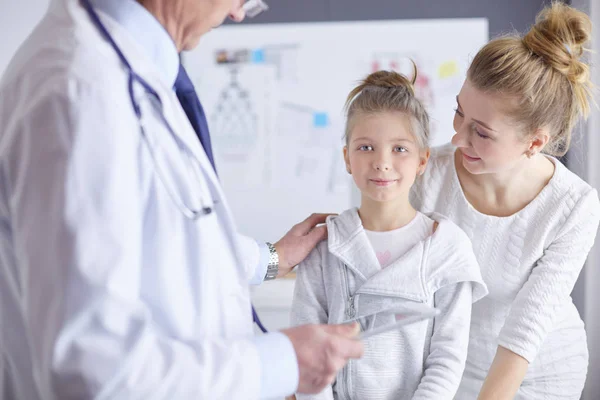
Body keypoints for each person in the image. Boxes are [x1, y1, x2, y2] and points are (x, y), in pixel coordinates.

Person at [0, 0, 364, 399]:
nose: (238, 13)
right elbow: (95, 371)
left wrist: (269, 258)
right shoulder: (80, 91)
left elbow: (167, 233)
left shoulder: (138, 72)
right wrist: (279, 365)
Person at [409, 3, 600, 399]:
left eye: (481, 132)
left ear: (534, 143)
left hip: (538, 373)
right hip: (448, 367)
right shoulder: (428, 175)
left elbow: (527, 325)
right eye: (459, 114)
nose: (458, 138)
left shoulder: (574, 206)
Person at [289, 70, 488, 399]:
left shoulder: (446, 249)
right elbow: (308, 347)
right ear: (347, 159)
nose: (382, 162)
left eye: (399, 149)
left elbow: (447, 358)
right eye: (366, 147)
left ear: (423, 159)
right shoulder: (325, 246)